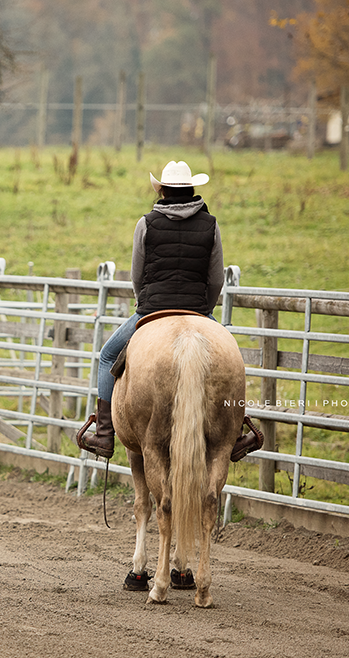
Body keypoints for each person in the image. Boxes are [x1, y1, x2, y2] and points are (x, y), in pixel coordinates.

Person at [77, 160, 260, 461]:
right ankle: (237, 432)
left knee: (108, 354)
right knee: (230, 359)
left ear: (162, 190)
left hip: (153, 309)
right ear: (191, 190)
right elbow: (215, 278)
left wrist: (144, 304)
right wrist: (204, 311)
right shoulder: (211, 224)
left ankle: (105, 434)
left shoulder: (145, 223)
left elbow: (137, 275)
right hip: (198, 310)